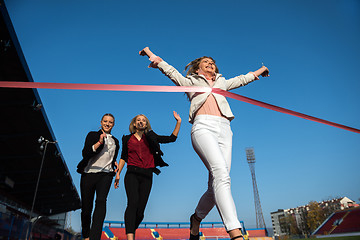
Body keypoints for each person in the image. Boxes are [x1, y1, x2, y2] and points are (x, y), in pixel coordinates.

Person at [139, 47, 269, 240]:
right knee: (222, 175)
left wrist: (260, 70)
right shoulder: (190, 81)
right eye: (206, 62)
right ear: (198, 69)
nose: (210, 63)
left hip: (225, 129)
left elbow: (242, 79)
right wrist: (150, 54)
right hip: (203, 126)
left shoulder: (222, 82)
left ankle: (196, 218)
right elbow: (170, 70)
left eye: (212, 62)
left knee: (215, 185)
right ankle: (235, 233)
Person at [114, 111, 181, 240]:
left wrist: (178, 122)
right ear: (134, 124)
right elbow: (123, 157)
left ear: (146, 124)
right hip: (132, 173)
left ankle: (131, 230)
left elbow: (171, 138)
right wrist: (118, 174)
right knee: (132, 203)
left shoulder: (151, 137)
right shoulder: (127, 139)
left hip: (147, 175)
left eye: (143, 120)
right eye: (138, 120)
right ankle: (130, 237)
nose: (141, 122)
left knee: (140, 212)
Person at [77, 113, 120, 240]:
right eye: (105, 121)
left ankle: (95, 237)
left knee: (101, 201)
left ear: (113, 124)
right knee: (86, 209)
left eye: (110, 122)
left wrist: (114, 164)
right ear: (101, 122)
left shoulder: (115, 141)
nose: (107, 124)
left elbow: (111, 157)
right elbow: (85, 153)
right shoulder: (92, 135)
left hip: (106, 174)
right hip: (89, 173)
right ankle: (86, 235)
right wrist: (99, 142)